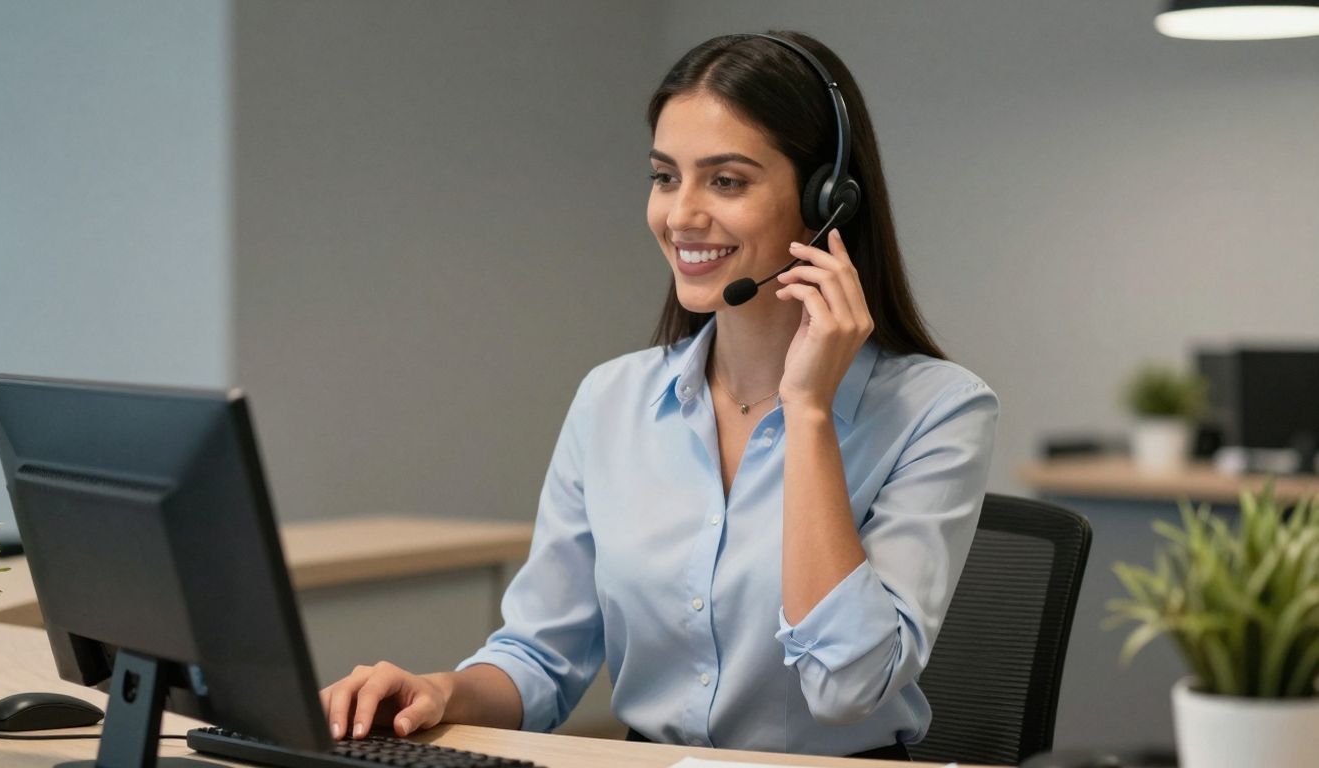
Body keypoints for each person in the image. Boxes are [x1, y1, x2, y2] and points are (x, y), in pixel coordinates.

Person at [320, 30, 998, 761]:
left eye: (727, 181)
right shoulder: (611, 399)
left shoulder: (938, 410)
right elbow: (542, 656)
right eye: (665, 176)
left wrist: (807, 414)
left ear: (824, 200)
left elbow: (848, 686)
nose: (681, 215)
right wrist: (441, 692)